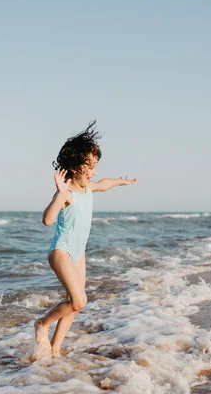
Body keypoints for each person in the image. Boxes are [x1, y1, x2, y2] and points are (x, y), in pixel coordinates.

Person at [33, 121, 136, 359]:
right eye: (90, 166)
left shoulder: (88, 186)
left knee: (74, 304)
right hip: (62, 252)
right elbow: (47, 220)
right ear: (75, 166)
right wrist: (59, 194)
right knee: (79, 300)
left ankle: (55, 349)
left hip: (79, 253)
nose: (94, 172)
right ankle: (42, 324)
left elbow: (104, 185)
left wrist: (122, 182)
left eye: (95, 166)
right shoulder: (67, 193)